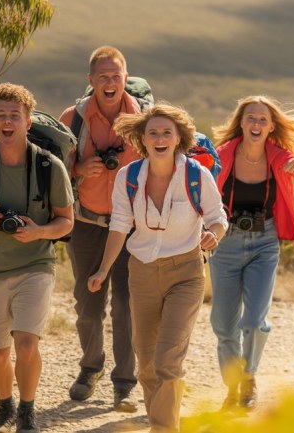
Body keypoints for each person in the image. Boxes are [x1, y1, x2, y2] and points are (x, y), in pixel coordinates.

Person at [88, 103, 228, 433]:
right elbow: (119, 225)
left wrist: (213, 235)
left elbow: (218, 218)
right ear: (143, 139)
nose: (160, 138)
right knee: (148, 364)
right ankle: (162, 423)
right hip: (142, 273)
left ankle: (164, 429)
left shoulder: (196, 175)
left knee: (168, 360)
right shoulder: (128, 177)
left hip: (186, 273)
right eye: (153, 133)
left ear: (179, 138)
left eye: (167, 132)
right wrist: (103, 270)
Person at [0, 83, 74, 433]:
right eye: (1, 116)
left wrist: (39, 231)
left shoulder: (49, 167)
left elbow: (66, 221)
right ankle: (5, 405)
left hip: (36, 264)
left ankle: (27, 411)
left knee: (26, 342)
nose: (8, 121)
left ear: (28, 121)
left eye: (15, 116)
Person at [209, 95, 294, 411]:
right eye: (250, 118)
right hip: (226, 242)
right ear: (241, 123)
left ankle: (248, 376)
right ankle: (232, 387)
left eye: (263, 119)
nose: (256, 124)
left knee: (253, 321)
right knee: (223, 325)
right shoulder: (222, 155)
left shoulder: (280, 157)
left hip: (265, 242)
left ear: (271, 126)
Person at [58, 46, 141, 411]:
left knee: (126, 305)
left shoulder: (144, 119)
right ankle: (90, 367)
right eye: (103, 76)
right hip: (86, 224)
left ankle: (125, 383)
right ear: (91, 80)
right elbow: (55, 171)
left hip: (132, 229)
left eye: (116, 76)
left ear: (126, 79)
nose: (110, 82)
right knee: (88, 306)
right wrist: (80, 169)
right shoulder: (72, 119)